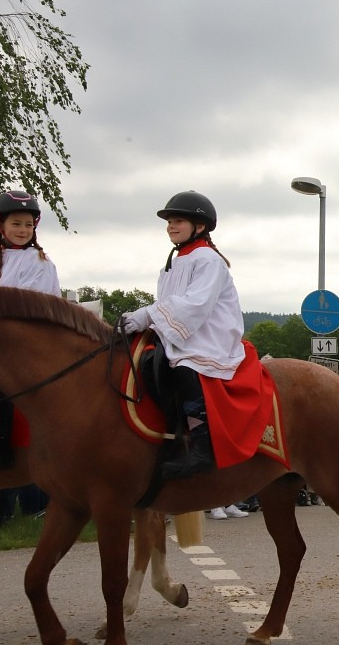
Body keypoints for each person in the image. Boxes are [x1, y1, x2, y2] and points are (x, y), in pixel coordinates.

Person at [120, 191, 244, 479]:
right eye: (169, 222)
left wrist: (147, 315)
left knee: (184, 368)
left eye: (178, 221)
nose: (171, 227)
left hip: (209, 333)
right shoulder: (175, 261)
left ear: (199, 226)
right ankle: (167, 433)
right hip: (182, 331)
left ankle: (202, 445)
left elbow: (195, 304)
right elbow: (170, 304)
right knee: (148, 362)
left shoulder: (208, 259)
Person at [0, 190, 60, 475]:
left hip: (23, 344)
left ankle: (2, 453)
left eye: (28, 225)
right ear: (0, 225)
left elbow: (28, 307)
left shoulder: (41, 263)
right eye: (16, 224)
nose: (22, 230)